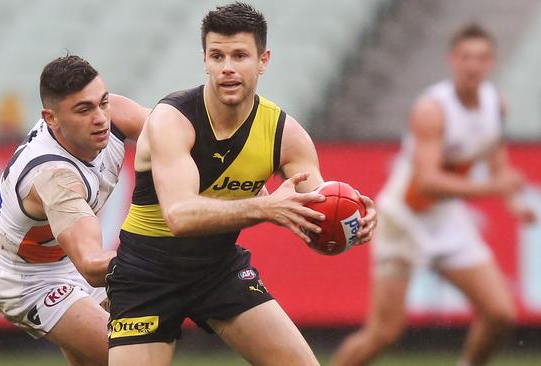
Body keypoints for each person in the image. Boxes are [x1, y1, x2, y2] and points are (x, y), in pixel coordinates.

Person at [106, 3, 377, 366]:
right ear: (204, 60)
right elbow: (179, 216)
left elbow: (317, 201)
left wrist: (351, 216)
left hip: (217, 269)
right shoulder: (172, 119)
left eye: (239, 55)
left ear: (263, 61)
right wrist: (264, 208)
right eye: (217, 55)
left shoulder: (286, 135)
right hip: (146, 274)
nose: (227, 67)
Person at [330, 24, 536, 366]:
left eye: (482, 57)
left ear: (492, 62)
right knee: (384, 332)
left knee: (500, 314)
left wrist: (514, 203)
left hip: (445, 218)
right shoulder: (432, 109)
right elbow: (427, 182)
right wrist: (493, 188)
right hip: (402, 219)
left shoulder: (494, 104)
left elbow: (496, 161)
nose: (473, 65)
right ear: (452, 60)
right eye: (466, 57)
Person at [0, 54, 149, 366]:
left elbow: (182, 137)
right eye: (84, 110)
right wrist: (169, 255)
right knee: (134, 357)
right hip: (28, 280)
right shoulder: (53, 178)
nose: (100, 117)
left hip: (65, 256)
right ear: (51, 119)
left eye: (102, 102)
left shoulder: (116, 115)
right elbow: (91, 263)